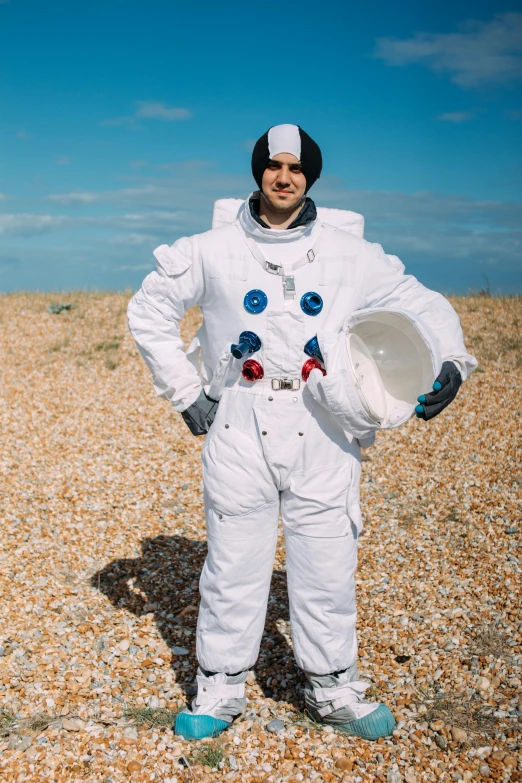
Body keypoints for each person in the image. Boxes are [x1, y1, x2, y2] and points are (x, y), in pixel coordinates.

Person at [127, 124, 476, 741]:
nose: (284, 177)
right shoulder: (212, 248)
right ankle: (220, 686)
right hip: (239, 420)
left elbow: (421, 302)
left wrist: (451, 361)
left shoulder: (350, 255)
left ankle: (333, 686)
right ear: (257, 171)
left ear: (310, 176)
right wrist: (185, 392)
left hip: (324, 425)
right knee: (234, 559)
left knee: (326, 559)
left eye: (296, 168)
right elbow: (149, 307)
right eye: (273, 166)